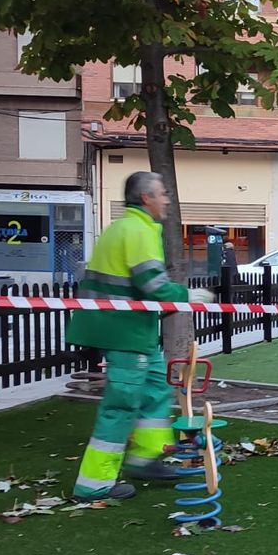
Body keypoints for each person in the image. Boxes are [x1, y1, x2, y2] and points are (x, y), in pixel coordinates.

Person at [66, 171, 214, 499]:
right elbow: (153, 286)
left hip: (127, 328)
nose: (167, 200)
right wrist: (188, 296)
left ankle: (146, 457)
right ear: (146, 198)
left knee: (154, 392)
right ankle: (94, 484)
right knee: (122, 404)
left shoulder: (124, 227)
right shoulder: (139, 231)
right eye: (162, 194)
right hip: (125, 331)